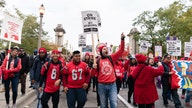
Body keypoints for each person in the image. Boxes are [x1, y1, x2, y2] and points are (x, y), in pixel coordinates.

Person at [92, 33, 125, 108]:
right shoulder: (97, 61)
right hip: (101, 86)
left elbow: (121, 50)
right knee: (103, 105)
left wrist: (122, 39)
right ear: (100, 51)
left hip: (112, 85)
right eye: (104, 49)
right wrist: (93, 68)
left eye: (106, 48)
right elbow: (92, 74)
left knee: (114, 104)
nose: (106, 49)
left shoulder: (111, 58)